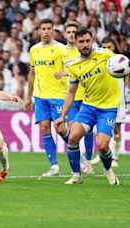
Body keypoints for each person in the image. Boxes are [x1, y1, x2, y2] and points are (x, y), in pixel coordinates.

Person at [54, 28, 120, 185]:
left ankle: (108, 170)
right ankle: (77, 175)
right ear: (76, 43)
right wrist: (62, 117)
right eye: (81, 42)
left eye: (87, 41)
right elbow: (71, 93)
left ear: (92, 40)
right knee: (73, 136)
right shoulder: (74, 65)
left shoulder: (105, 54)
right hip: (89, 106)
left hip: (108, 107)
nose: (85, 45)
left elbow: (122, 64)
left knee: (103, 145)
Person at [24, 19, 72, 177]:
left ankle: (79, 156)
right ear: (38, 31)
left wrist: (64, 73)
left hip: (58, 96)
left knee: (61, 129)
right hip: (40, 96)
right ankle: (54, 167)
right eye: (43, 29)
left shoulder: (61, 49)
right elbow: (32, 74)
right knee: (44, 128)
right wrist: (28, 96)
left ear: (53, 31)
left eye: (49, 28)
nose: (46, 31)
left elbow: (72, 70)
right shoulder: (34, 50)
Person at [54, 21, 94, 175]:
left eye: (73, 32)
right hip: (70, 96)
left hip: (85, 95)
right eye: (68, 32)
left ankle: (88, 161)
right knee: (71, 128)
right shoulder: (61, 52)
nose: (71, 34)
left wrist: (64, 73)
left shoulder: (83, 51)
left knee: (88, 131)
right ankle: (81, 160)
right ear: (65, 34)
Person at [90, 37, 125, 167]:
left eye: (108, 47)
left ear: (113, 47)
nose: (106, 50)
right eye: (103, 47)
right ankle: (102, 154)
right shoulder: (100, 61)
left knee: (116, 130)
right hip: (103, 100)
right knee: (101, 130)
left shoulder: (121, 61)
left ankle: (115, 158)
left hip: (118, 101)